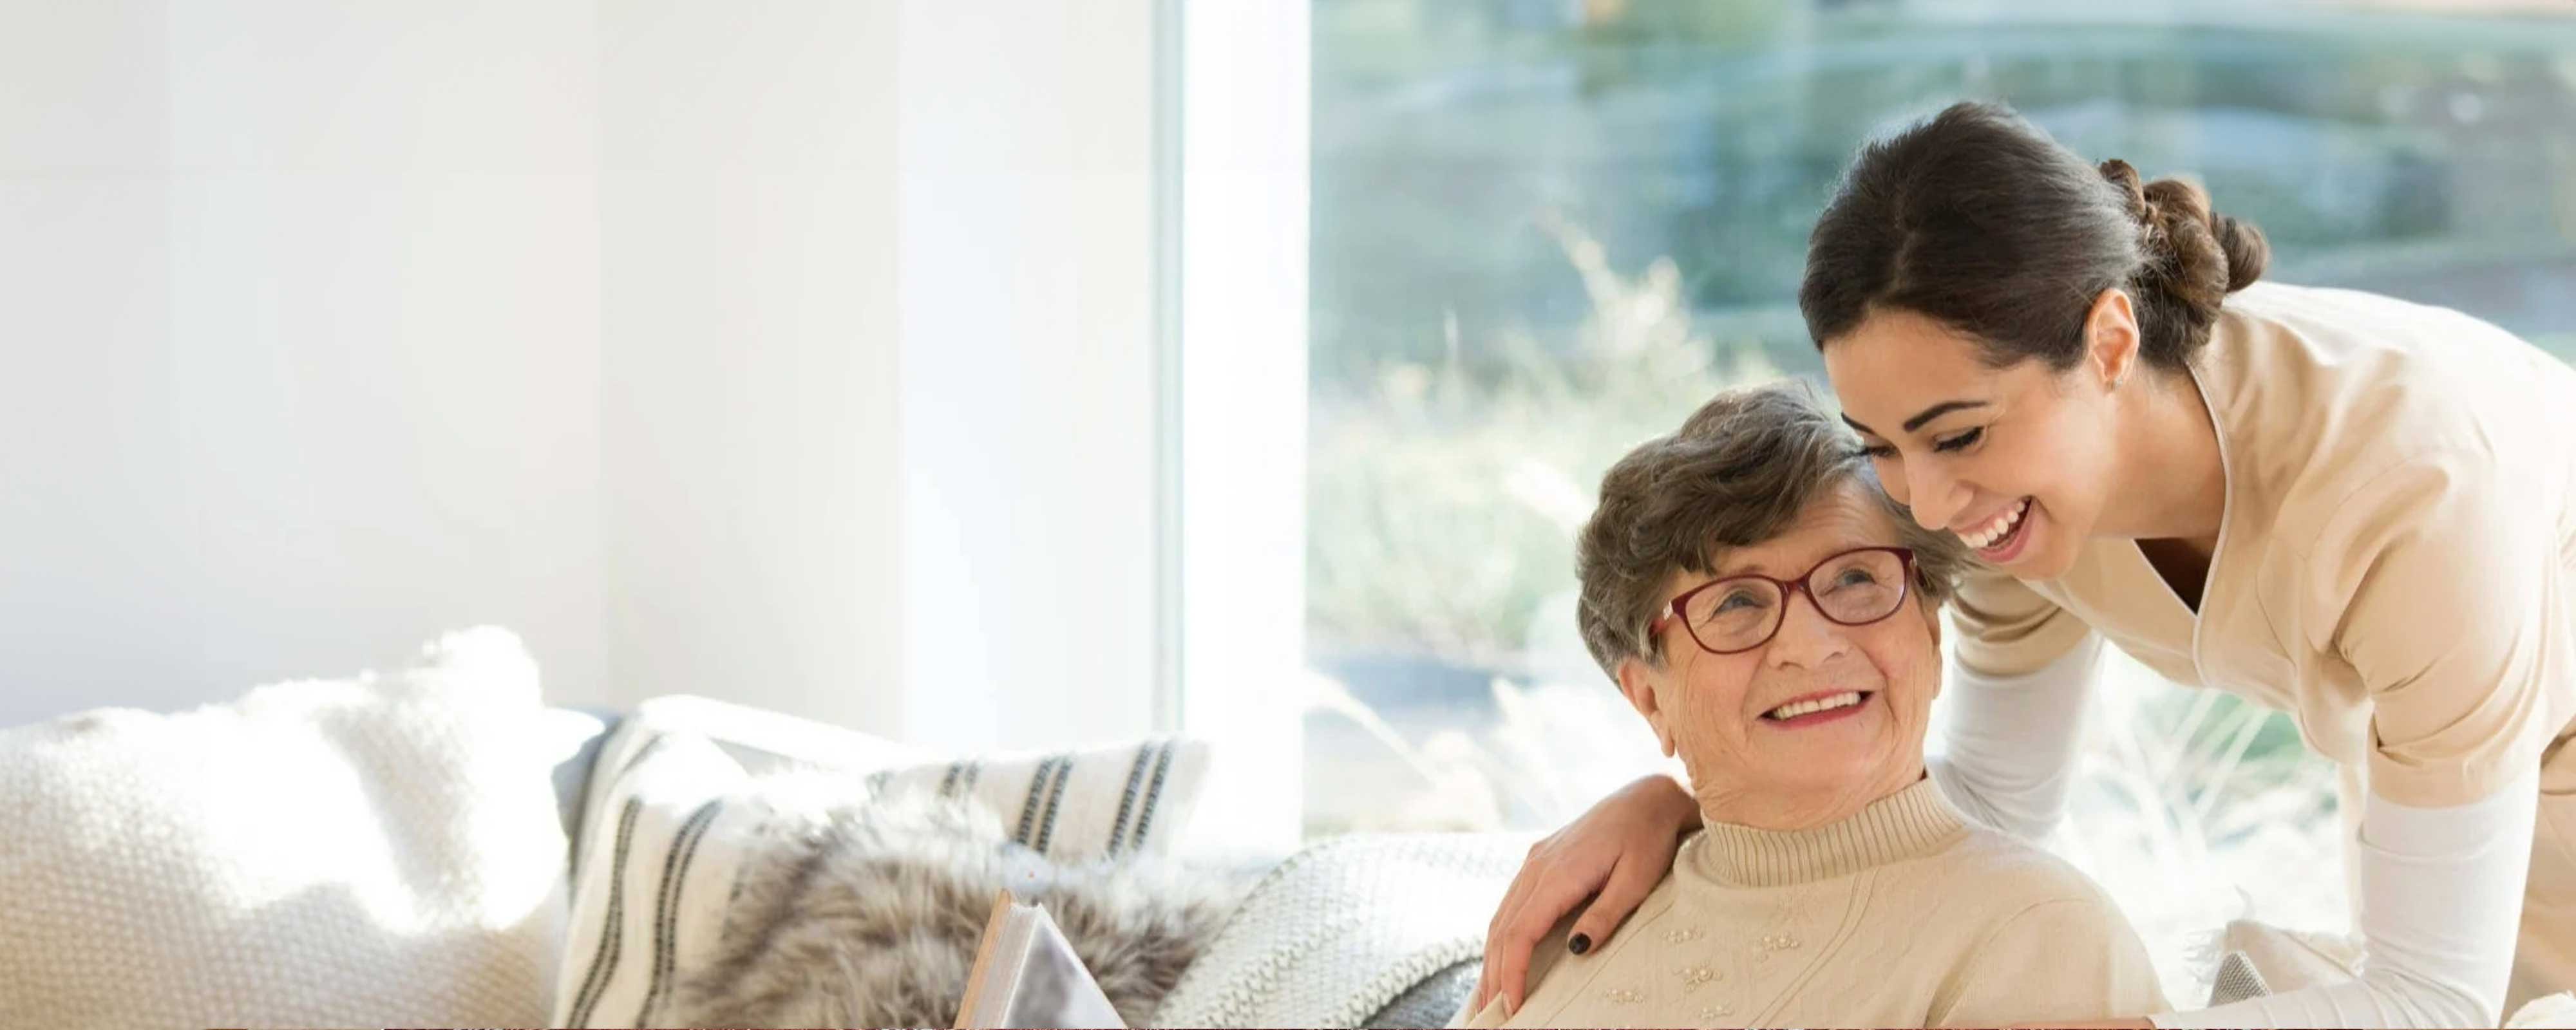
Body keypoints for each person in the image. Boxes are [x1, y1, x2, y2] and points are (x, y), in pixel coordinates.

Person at [1475, 101, 2575, 1028]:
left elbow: (2430, 1001)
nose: (1927, 506)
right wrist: (1687, 813)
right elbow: (1994, 803)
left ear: (2107, 343)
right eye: (1882, 445)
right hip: (2442, 751)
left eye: (1957, 435)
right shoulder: (2005, 509)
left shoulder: (2407, 492)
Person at [1454, 381, 2166, 1027]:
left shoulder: (2037, 938)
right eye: (1735, 600)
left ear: (1927, 631)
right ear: (1648, 698)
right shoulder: (1564, 917)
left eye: (1856, 577)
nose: (1810, 643)